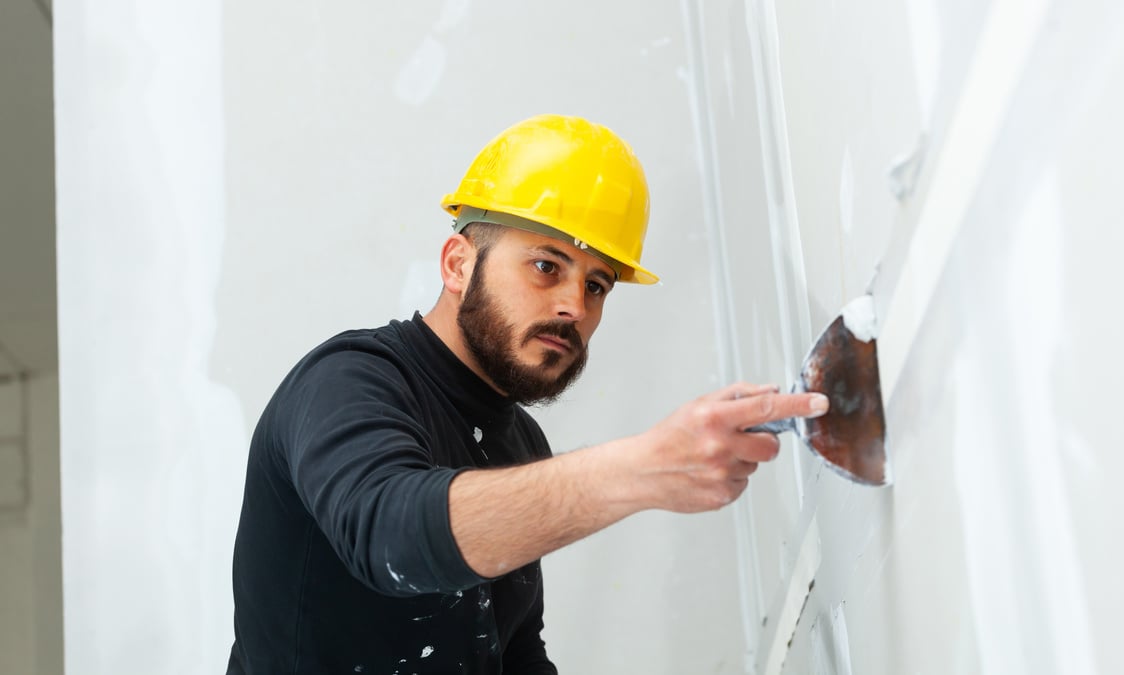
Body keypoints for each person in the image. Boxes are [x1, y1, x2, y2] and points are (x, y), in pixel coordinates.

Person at [226, 114, 828, 674]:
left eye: (597, 285)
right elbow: (391, 536)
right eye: (546, 265)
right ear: (458, 264)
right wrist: (644, 468)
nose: (575, 305)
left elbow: (509, 650)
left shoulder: (521, 443)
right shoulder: (347, 380)